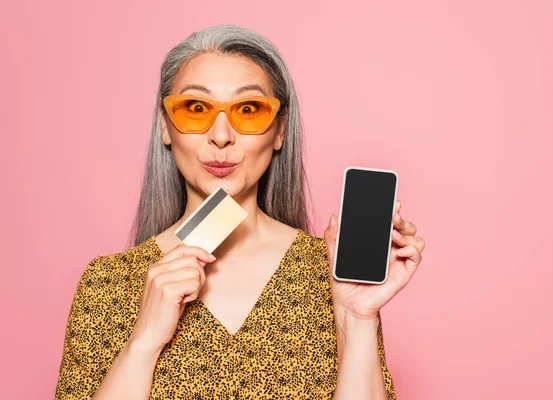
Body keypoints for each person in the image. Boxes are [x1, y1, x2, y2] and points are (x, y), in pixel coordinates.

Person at [55, 23, 425, 400]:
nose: (221, 135)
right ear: (166, 126)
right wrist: (144, 342)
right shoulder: (108, 285)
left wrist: (356, 318)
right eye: (196, 108)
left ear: (279, 130)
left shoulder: (334, 274)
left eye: (247, 109)